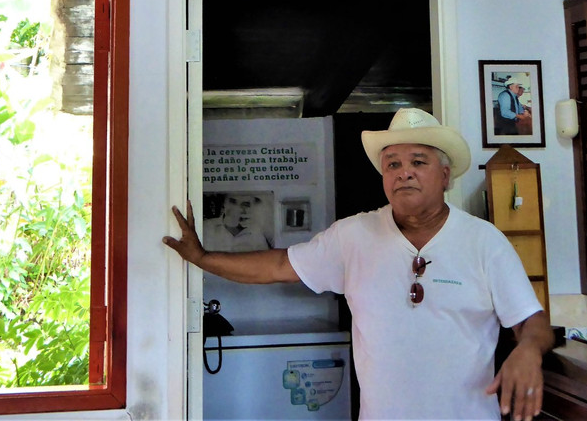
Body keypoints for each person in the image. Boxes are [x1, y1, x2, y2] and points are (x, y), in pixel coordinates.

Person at [164, 108, 554, 421]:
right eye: (392, 164)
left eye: (418, 161)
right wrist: (202, 258)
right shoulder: (353, 236)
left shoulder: (484, 241)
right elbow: (279, 266)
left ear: (445, 175)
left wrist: (529, 351)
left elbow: (531, 320)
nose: (404, 172)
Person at [202, 192, 272, 252]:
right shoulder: (206, 227)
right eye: (233, 201)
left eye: (245, 204)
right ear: (224, 203)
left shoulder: (257, 233)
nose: (238, 207)